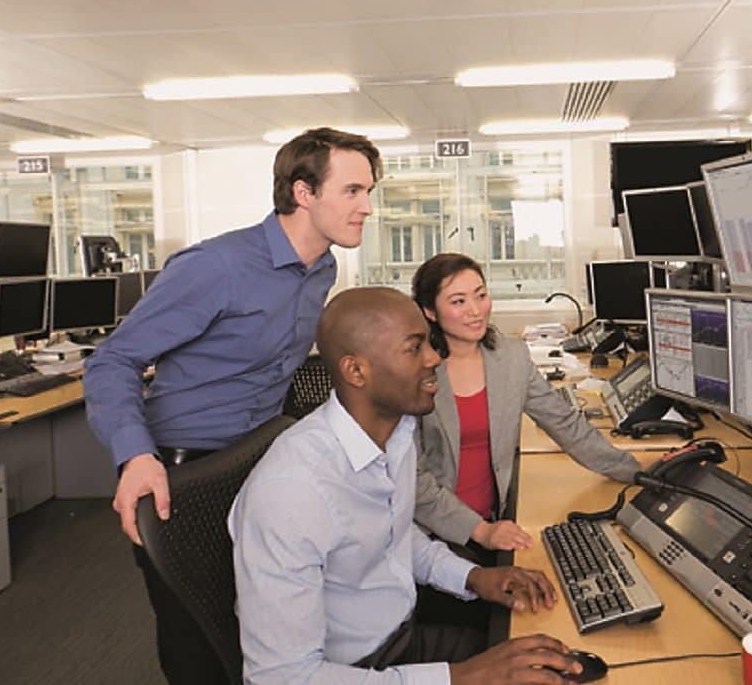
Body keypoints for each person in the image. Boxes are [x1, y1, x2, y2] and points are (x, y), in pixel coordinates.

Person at [83, 127, 381, 685]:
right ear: (303, 193)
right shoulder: (216, 266)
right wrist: (134, 457)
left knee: (265, 626)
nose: (367, 207)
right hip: (182, 470)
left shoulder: (322, 269)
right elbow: (111, 362)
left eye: (369, 192)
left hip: (258, 461)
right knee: (196, 638)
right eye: (353, 191)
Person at [229, 287, 583, 684]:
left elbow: (392, 534)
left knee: (557, 662)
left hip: (401, 639)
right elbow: (283, 678)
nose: (435, 358)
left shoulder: (395, 435)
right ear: (356, 371)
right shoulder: (292, 492)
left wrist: (472, 578)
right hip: (345, 671)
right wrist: (462, 678)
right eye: (415, 348)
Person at [411, 253, 641, 553]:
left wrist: (635, 472)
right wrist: (480, 531)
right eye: (458, 302)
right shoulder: (416, 370)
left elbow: (564, 422)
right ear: (430, 311)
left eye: (481, 295)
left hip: (494, 522)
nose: (476, 310)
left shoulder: (512, 357)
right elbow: (412, 479)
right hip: (433, 536)